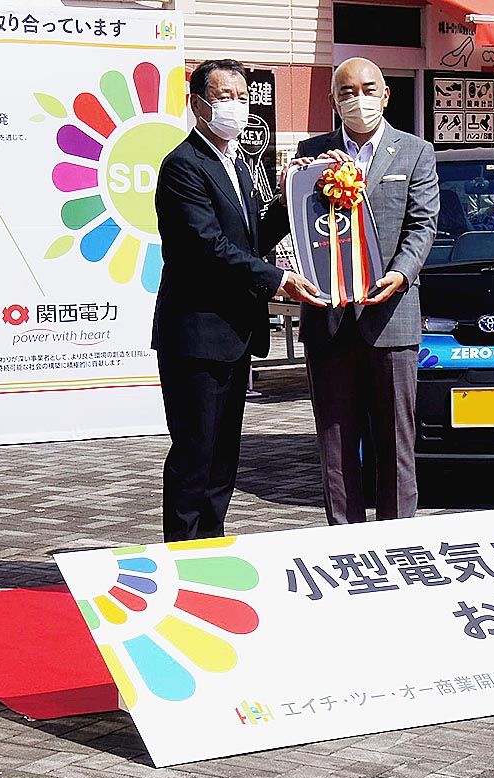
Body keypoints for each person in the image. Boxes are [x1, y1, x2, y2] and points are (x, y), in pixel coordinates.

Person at [152, 58, 324, 541]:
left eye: (242, 96)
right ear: (197, 104)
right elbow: (207, 247)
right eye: (223, 96)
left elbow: (251, 240)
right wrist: (278, 280)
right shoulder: (184, 165)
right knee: (195, 454)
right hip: (196, 335)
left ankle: (211, 547)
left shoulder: (238, 164)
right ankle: (183, 554)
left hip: (234, 335)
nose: (235, 105)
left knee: (223, 455)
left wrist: (293, 196)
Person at [277, 57, 439, 524]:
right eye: (347, 92)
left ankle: (396, 541)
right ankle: (344, 539)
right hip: (327, 318)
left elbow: (423, 225)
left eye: (368, 89)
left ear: (385, 95)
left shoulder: (414, 152)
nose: (358, 100)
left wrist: (402, 273)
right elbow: (294, 225)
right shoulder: (312, 154)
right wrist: (293, 185)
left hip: (391, 316)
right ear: (333, 101)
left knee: (396, 442)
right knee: (335, 443)